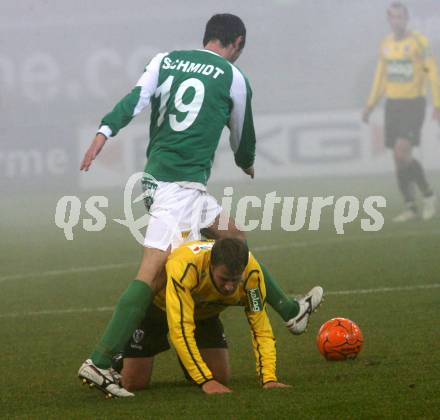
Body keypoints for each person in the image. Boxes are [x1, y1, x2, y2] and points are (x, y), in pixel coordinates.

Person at [78, 14, 322, 397]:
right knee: (155, 272)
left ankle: (291, 312)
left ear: (206, 36)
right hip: (175, 190)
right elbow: (243, 134)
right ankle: (101, 360)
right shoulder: (233, 77)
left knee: (233, 236)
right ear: (238, 42)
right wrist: (247, 162)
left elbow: (134, 100)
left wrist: (103, 131)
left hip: (175, 184)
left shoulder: (165, 60)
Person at [82, 239, 323, 396]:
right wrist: (205, 381)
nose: (230, 287)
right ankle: (120, 356)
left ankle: (190, 362)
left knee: (222, 377)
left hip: (205, 315)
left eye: (234, 281)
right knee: (135, 383)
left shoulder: (251, 276)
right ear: (210, 266)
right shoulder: (185, 267)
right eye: (224, 279)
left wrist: (269, 378)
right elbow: (180, 328)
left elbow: (260, 327)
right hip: (160, 311)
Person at [362, 2, 440, 222]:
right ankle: (410, 207)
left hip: (413, 103)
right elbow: (380, 77)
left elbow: (432, 72)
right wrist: (370, 104)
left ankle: (428, 195)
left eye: (401, 17)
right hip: (392, 105)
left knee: (401, 152)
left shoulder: (418, 42)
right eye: (393, 17)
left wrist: (437, 104)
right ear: (389, 20)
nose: (397, 21)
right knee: (398, 159)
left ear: (407, 19)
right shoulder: (386, 45)